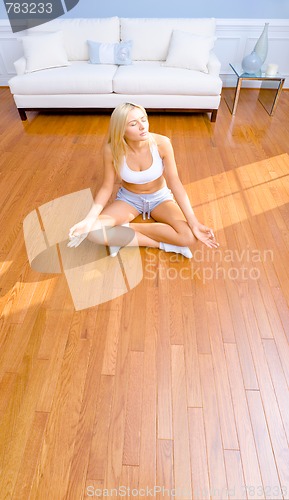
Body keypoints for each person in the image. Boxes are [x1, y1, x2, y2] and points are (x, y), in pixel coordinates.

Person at [68, 102, 219, 257]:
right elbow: (106, 187)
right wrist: (89, 219)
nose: (142, 126)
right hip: (129, 200)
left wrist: (193, 222)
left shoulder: (162, 144)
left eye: (144, 119)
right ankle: (161, 245)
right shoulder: (111, 149)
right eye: (133, 124)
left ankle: (122, 234)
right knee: (93, 233)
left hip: (160, 198)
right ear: (121, 130)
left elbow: (175, 183)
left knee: (189, 237)